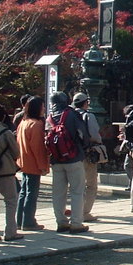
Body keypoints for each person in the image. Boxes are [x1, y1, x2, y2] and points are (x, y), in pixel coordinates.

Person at [46, 92, 90, 234]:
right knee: (77, 191)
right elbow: (83, 134)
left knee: (58, 193)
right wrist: (83, 148)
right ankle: (76, 223)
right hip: (74, 157)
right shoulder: (71, 114)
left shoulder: (50, 117)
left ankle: (61, 222)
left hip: (56, 159)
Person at [15, 96, 48, 230]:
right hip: (33, 162)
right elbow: (38, 148)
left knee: (24, 192)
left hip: (23, 161)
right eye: (42, 106)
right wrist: (43, 166)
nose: (44, 109)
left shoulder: (23, 122)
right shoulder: (37, 125)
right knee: (31, 193)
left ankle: (20, 220)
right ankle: (29, 222)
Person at [72, 92, 102, 222]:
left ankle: (74, 211)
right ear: (86, 103)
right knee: (91, 184)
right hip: (87, 153)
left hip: (72, 154)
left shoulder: (69, 115)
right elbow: (94, 135)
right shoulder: (88, 116)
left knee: (76, 185)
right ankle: (84, 212)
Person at [0, 104, 22, 241]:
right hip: (5, 171)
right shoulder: (5, 132)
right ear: (4, 116)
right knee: (11, 201)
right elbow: (16, 152)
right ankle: (10, 232)